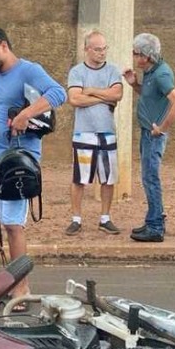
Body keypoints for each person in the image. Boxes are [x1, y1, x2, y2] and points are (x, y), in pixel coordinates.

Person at [0, 25, 66, 296]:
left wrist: (26, 114)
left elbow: (59, 93)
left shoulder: (28, 70)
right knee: (7, 224)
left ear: (4, 46)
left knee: (14, 226)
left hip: (18, 162)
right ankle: (12, 281)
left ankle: (21, 287)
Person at [124, 33, 175, 243]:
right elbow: (151, 97)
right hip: (147, 133)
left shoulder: (161, 75)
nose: (134, 57)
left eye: (136, 53)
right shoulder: (151, 72)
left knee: (151, 178)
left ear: (147, 55)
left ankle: (156, 226)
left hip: (153, 136)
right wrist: (134, 85)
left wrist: (161, 128)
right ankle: (153, 219)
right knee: (148, 177)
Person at [65, 29, 124, 236]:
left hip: (107, 132)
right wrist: (104, 97)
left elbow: (117, 94)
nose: (102, 53)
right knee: (79, 178)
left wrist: (90, 91)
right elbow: (75, 99)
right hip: (83, 133)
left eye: (104, 48)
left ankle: (105, 218)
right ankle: (76, 218)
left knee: (108, 177)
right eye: (97, 49)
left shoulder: (113, 71)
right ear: (87, 49)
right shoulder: (77, 72)